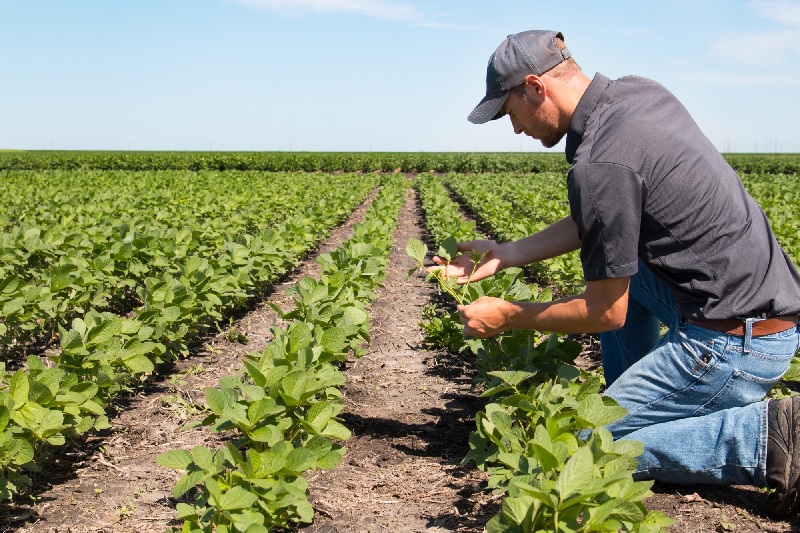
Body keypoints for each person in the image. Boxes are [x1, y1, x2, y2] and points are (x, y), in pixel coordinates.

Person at [432, 29, 800, 519]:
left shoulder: (600, 162)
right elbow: (604, 217)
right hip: (756, 307)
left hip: (735, 343)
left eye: (509, 111)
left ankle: (762, 437)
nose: (514, 128)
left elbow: (605, 312)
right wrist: (505, 253)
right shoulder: (635, 94)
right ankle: (640, 400)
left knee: (585, 451)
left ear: (535, 87)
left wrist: (508, 315)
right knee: (623, 266)